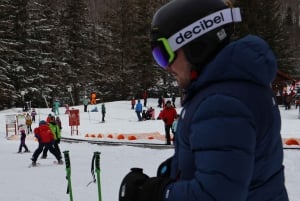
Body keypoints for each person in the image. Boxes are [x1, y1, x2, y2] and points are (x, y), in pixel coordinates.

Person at [118, 1, 289, 201]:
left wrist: (156, 193)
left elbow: (216, 195)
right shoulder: (235, 87)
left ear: (196, 45)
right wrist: (177, 167)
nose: (165, 67)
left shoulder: (222, 104)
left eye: (164, 54)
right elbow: (230, 164)